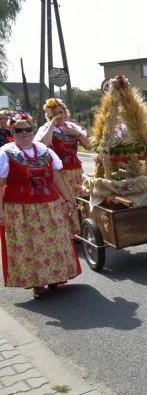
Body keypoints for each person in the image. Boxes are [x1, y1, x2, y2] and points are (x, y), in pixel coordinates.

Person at [0, 112, 81, 299]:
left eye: (28, 129)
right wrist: (1, 211)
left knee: (54, 240)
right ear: (12, 132)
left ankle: (55, 277)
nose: (24, 133)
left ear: (33, 130)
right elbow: (0, 184)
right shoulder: (5, 153)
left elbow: (56, 178)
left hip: (49, 205)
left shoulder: (46, 151)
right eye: (19, 130)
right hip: (20, 208)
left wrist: (68, 200)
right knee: (30, 245)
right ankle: (37, 283)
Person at [35, 98, 93, 237]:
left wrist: (77, 133)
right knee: (66, 201)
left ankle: (84, 230)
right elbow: (44, 144)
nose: (59, 115)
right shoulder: (46, 129)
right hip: (60, 173)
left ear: (65, 113)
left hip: (77, 171)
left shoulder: (72, 127)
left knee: (82, 199)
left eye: (61, 112)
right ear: (49, 115)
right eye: (55, 113)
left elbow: (88, 146)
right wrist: (52, 124)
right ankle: (71, 232)